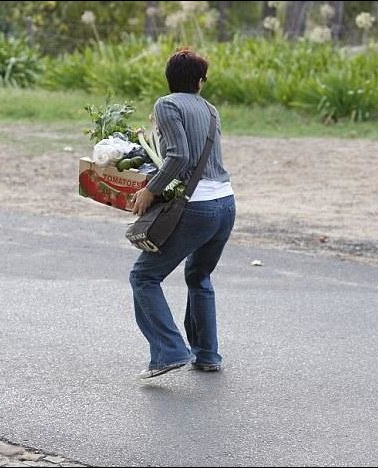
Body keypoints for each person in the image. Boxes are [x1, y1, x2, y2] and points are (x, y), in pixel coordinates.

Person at [130, 48, 236, 379]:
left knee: (144, 276)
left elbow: (178, 158)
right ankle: (207, 354)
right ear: (200, 81)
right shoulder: (210, 109)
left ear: (169, 78)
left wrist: (150, 189)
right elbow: (191, 154)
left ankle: (169, 352)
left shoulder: (167, 104)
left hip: (198, 207)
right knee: (199, 276)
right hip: (226, 204)